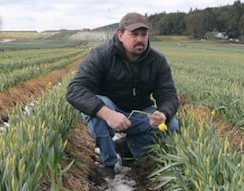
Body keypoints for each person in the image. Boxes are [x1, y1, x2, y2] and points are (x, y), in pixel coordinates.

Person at [65, 12, 180, 177]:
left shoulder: (157, 61)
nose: (140, 39)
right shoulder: (102, 55)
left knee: (172, 125)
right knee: (98, 105)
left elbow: (168, 95)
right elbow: (75, 90)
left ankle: (129, 150)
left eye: (144, 34)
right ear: (120, 35)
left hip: (139, 113)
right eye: (134, 34)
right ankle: (108, 162)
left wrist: (163, 113)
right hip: (109, 112)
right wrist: (107, 114)